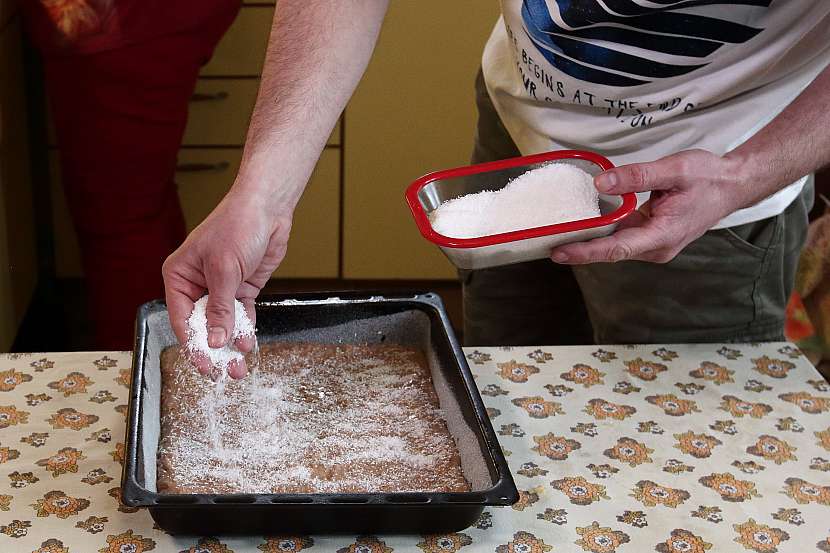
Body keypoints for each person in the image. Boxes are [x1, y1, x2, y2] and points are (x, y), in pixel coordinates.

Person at [162, 1, 830, 378]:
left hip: (700, 196)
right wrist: (262, 193)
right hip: (521, 123)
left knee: (673, 463)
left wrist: (745, 173)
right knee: (506, 396)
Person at [22, 0, 240, 350]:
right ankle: (176, 352)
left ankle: (136, 377)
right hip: (137, 20)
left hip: (124, 21)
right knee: (141, 200)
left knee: (119, 222)